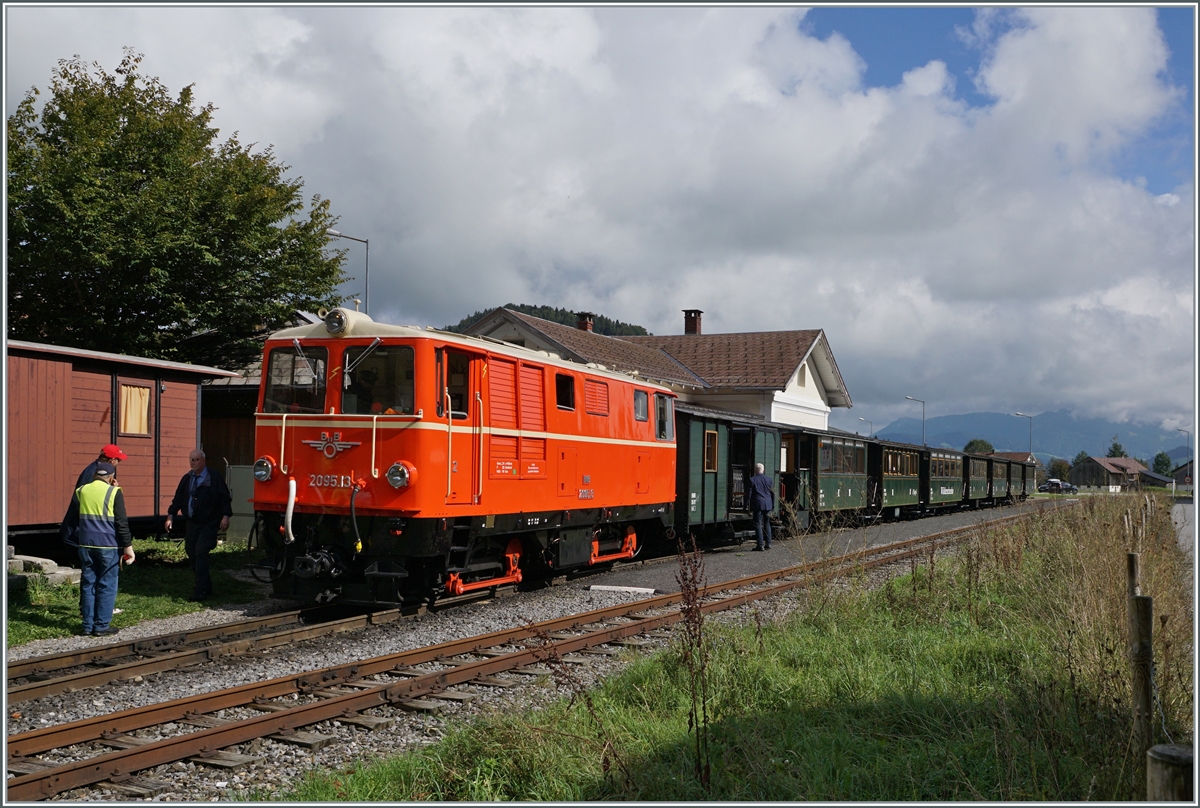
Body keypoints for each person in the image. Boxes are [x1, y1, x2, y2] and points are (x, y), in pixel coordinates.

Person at [61, 462, 135, 636]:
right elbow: (121, 523)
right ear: (111, 477)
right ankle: (101, 626)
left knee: (88, 584)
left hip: (86, 544)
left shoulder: (82, 491)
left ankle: (87, 626)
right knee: (107, 585)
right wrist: (128, 547)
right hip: (108, 545)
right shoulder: (114, 492)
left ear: (95, 475)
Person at [164, 450, 232, 602]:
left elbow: (225, 498)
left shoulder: (213, 478)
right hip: (192, 522)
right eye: (191, 460)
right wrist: (171, 516)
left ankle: (200, 590)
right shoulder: (187, 479)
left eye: (196, 460)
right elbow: (178, 498)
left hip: (209, 522)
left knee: (201, 552)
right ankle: (206, 586)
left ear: (203, 461)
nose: (193, 463)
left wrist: (225, 516)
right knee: (191, 551)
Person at [748, 462, 775, 551]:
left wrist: (747, 506)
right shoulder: (769, 479)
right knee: (767, 524)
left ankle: (760, 545)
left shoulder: (752, 480)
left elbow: (749, 494)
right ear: (763, 470)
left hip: (758, 504)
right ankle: (769, 543)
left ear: (755, 470)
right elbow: (772, 493)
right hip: (768, 504)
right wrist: (773, 504)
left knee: (758, 524)